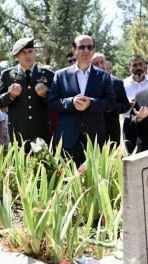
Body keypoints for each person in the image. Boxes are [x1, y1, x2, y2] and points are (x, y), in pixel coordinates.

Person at [47, 35, 115, 166]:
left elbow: (111, 103)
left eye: (90, 47)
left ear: (94, 51)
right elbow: (52, 102)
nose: (86, 50)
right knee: (68, 180)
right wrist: (71, 102)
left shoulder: (103, 76)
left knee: (94, 182)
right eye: (81, 47)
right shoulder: (61, 75)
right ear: (74, 51)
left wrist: (91, 103)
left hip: (95, 138)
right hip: (68, 137)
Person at [0, 38, 54, 151]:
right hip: (18, 131)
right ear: (16, 56)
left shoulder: (48, 74)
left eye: (30, 51)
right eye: (23, 52)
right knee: (19, 166)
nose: (27, 55)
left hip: (40, 130)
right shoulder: (8, 75)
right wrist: (10, 95)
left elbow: (56, 102)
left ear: (35, 53)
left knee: (42, 165)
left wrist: (46, 95)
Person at [91, 52, 130, 144]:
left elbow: (125, 105)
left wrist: (111, 107)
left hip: (112, 131)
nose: (100, 66)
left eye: (102, 62)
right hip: (91, 132)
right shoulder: (85, 83)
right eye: (95, 64)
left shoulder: (117, 82)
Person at [123, 54, 148, 153]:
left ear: (144, 66)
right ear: (130, 67)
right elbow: (118, 103)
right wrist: (128, 103)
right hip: (129, 124)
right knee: (130, 154)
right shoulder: (123, 84)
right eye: (134, 65)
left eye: (140, 64)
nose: (138, 67)